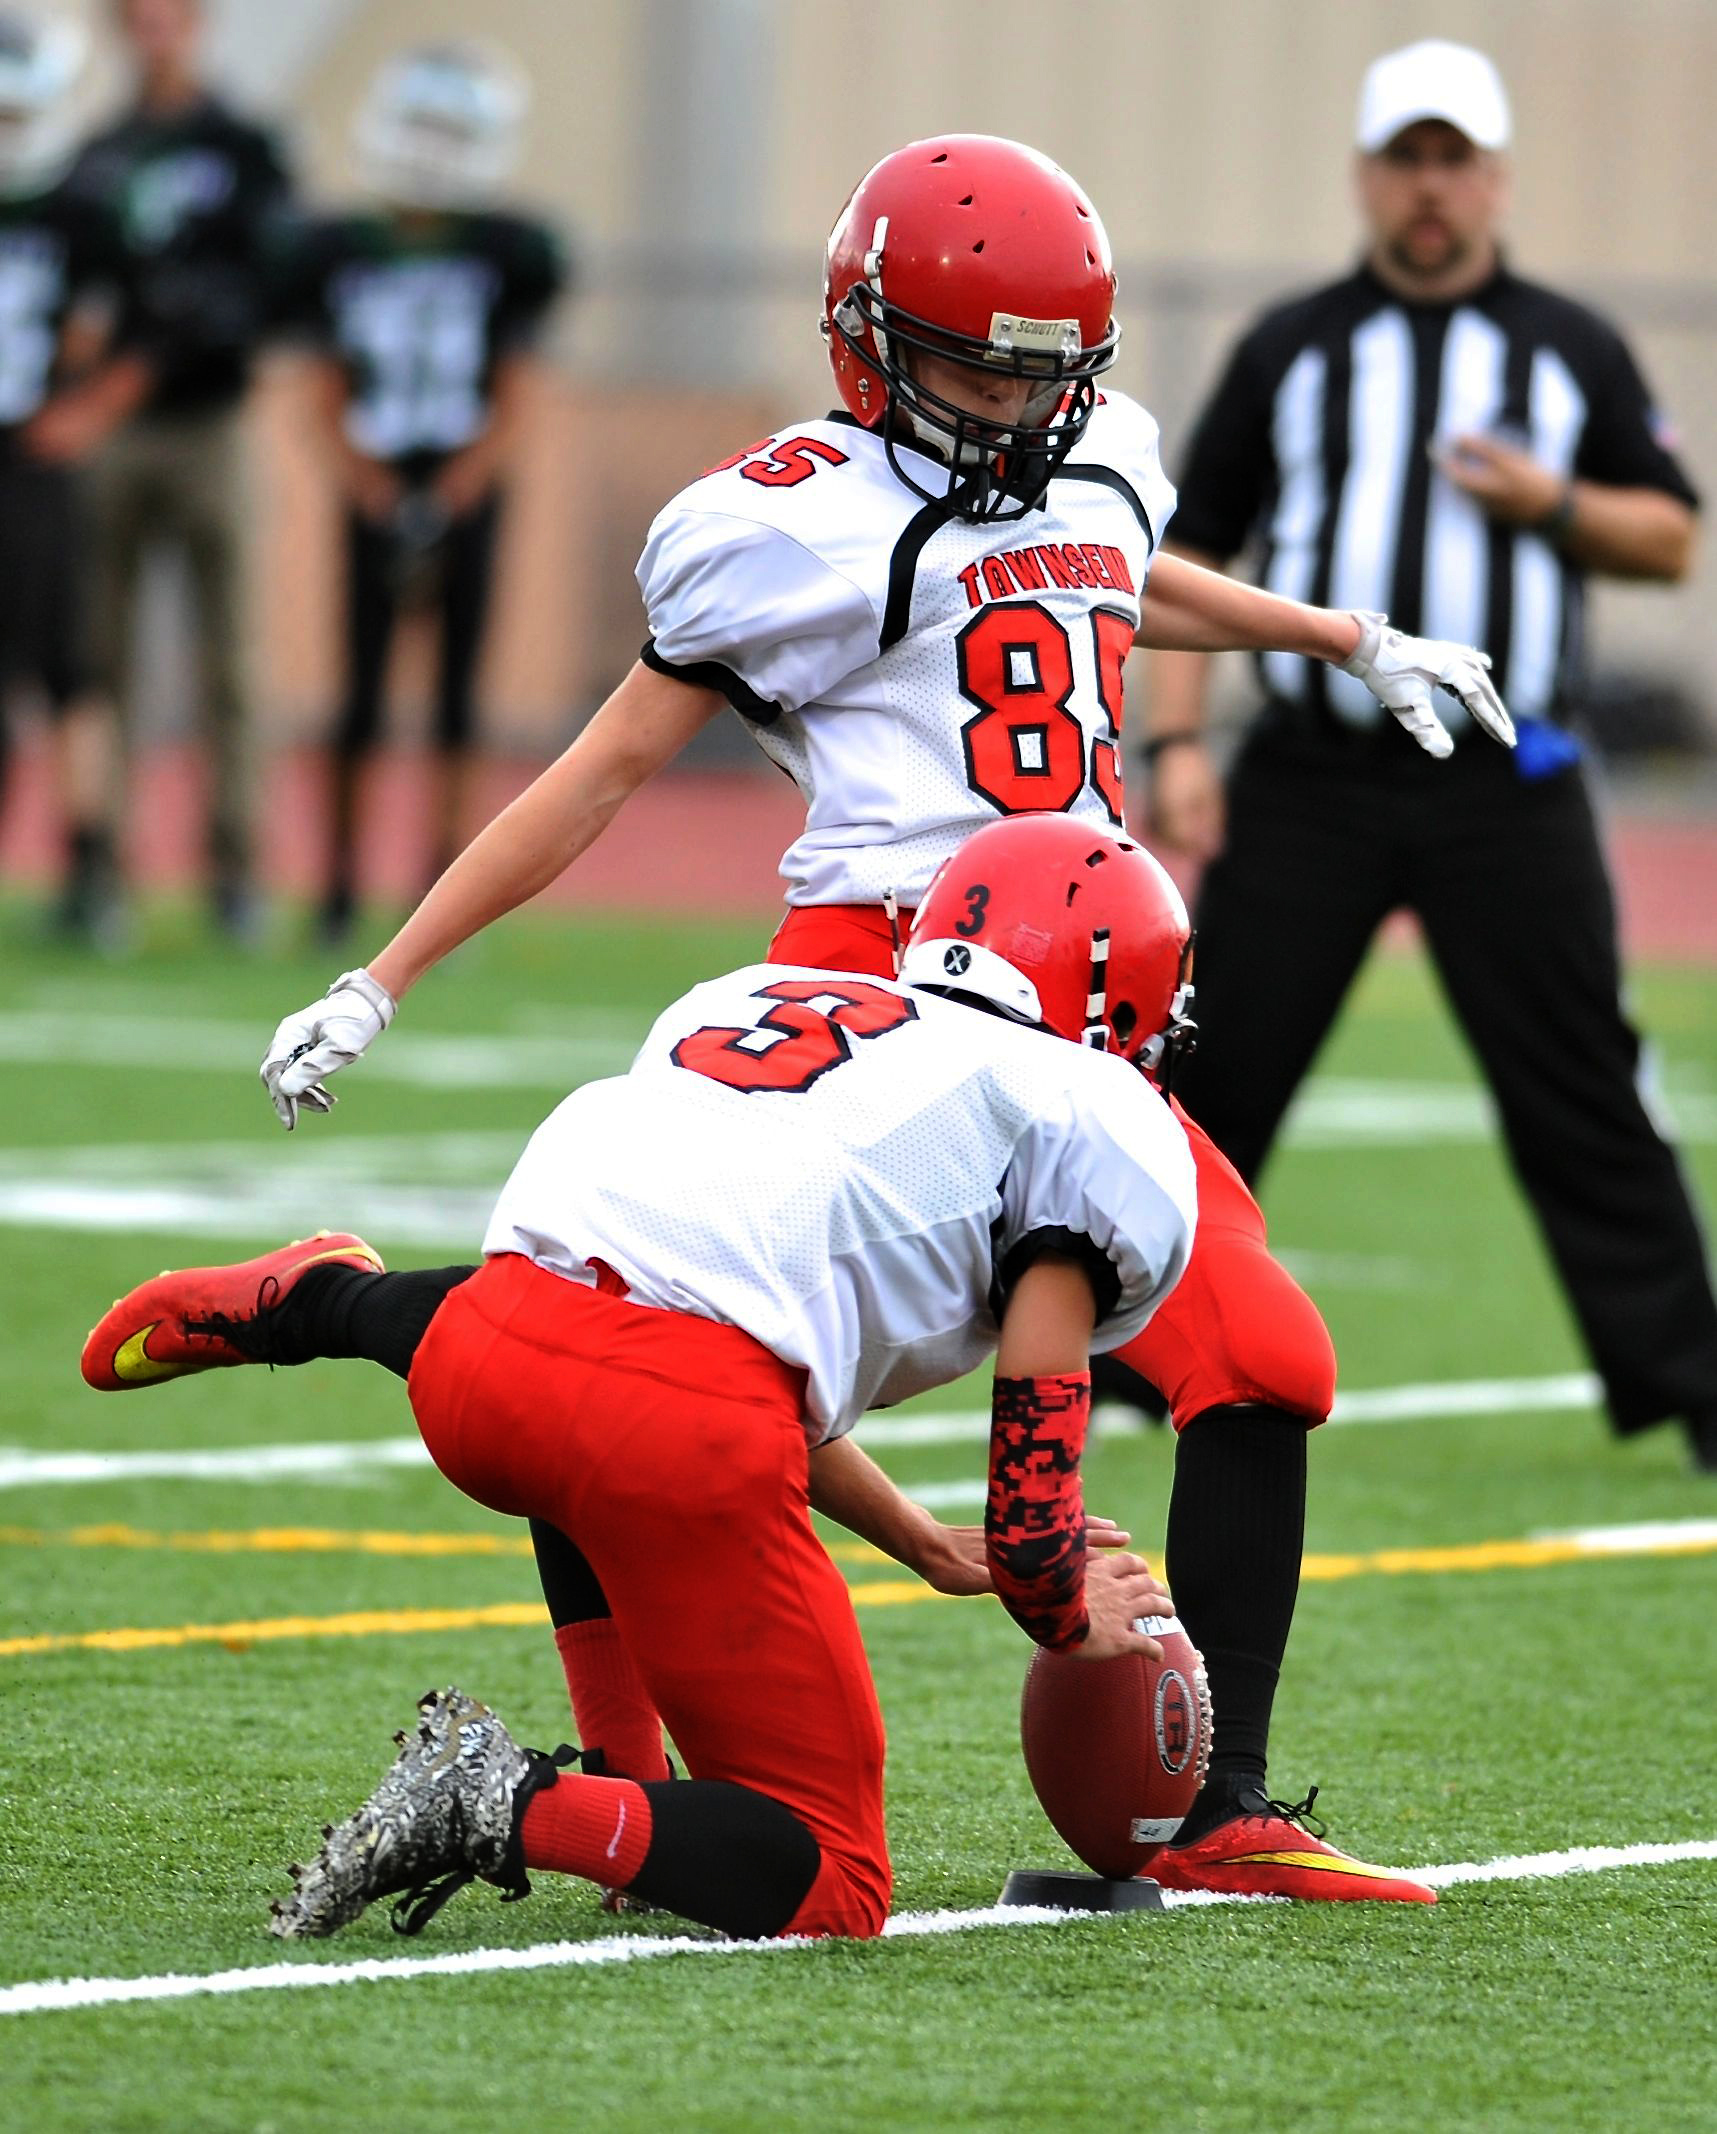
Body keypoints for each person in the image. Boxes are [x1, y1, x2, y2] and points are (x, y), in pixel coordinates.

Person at [253, 136, 1510, 1901]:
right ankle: (617, 1751)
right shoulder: (796, 521)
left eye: (1041, 369)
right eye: (974, 363)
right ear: (866, 335)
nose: (1014, 404)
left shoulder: (1092, 463)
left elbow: (1106, 580)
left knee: (1261, 1362)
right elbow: (606, 768)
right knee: (657, 1308)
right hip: (876, 964)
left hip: (1075, 968)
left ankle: (1214, 1804)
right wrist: (383, 970)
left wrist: (1341, 635)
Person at [86, 816, 1203, 1942]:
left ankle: (322, 1302)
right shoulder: (1080, 1114)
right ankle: (506, 1800)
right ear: (1117, 994)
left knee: (591, 1392)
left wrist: (913, 1536)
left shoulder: (764, 993)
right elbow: (1018, 1491)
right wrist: (1054, 1596)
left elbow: (702, 1309)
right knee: (834, 1881)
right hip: (662, 1424)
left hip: (487, 1355)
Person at [1139, 40, 1717, 1473]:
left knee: (1582, 1084)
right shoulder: (1291, 346)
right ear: (1368, 176)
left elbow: (1668, 532)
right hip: (1311, 775)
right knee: (1214, 1070)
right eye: (1407, 158)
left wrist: (1550, 500)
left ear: (1495, 178)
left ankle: (1693, 1382)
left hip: (1503, 783)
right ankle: (1136, 1362)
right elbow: (1186, 549)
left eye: (1455, 159)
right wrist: (1173, 742)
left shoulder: (1569, 345)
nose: (1430, 188)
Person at [279, 42, 569, 942]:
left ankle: (443, 883)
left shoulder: (507, 248)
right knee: (359, 694)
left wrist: (457, 485)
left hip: (463, 482)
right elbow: (319, 383)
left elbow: (518, 388)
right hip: (373, 481)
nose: (433, 150)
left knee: (455, 696)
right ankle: (337, 885)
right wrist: (362, 481)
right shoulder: (337, 246)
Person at [50, 0, 292, 938]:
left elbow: (264, 284)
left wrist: (146, 355)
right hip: (109, 436)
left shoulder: (243, 147)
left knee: (228, 660)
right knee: (96, 659)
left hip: (210, 424)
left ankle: (236, 872)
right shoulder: (98, 152)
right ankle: (99, 865)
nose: (154, 23)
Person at [0, 11, 130, 940]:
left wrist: (81, 408)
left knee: (67, 669)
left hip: (37, 460)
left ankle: (90, 870)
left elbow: (119, 330)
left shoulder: (82, 207)